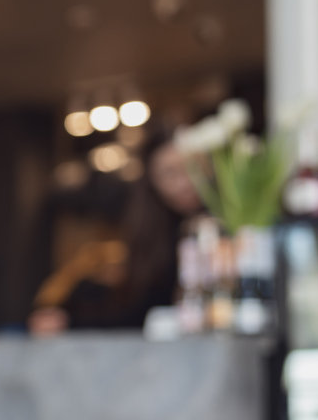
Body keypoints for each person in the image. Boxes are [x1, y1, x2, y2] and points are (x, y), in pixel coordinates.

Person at [29, 133, 201, 334]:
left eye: (192, 168)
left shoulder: (229, 222)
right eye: (170, 173)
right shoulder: (153, 237)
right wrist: (69, 320)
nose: (184, 182)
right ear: (153, 180)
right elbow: (137, 309)